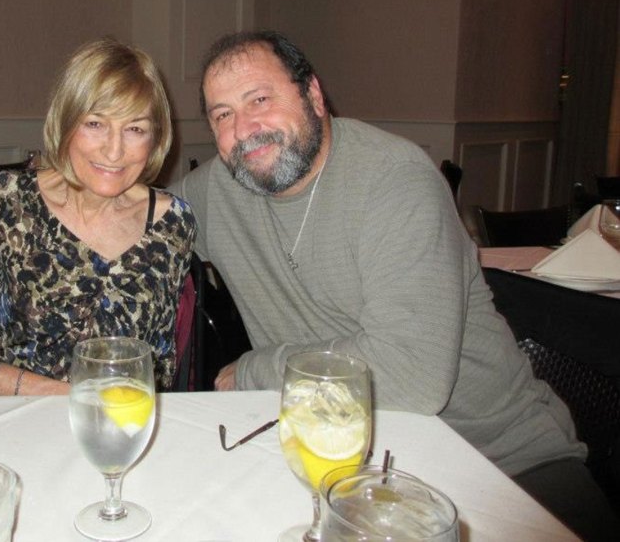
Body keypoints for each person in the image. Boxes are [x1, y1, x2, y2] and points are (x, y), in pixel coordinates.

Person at [169, 30, 618, 540]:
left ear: (313, 95)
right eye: (222, 114)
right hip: (345, 469)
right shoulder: (222, 188)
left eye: (261, 100)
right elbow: (133, 220)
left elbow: (412, 377)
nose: (244, 129)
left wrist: (253, 371)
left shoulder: (395, 179)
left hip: (501, 466)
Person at [0, 37, 196, 397]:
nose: (114, 151)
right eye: (95, 124)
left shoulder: (173, 223)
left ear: (155, 139)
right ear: (66, 122)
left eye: (135, 129)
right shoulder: (5, 201)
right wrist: (68, 398)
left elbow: (159, 366)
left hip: (119, 425)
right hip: (19, 421)